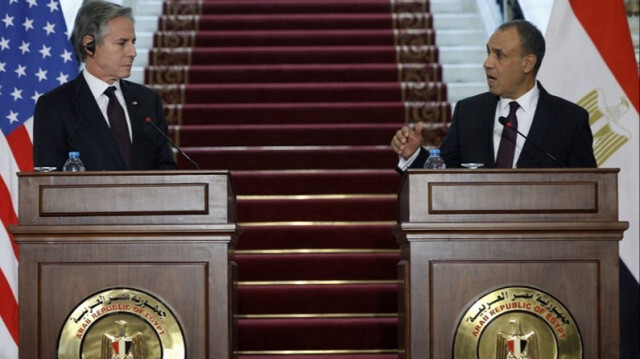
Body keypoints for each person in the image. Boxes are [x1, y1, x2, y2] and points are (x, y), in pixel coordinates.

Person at [390, 20, 597, 171]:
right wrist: (414, 155)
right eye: (488, 52)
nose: (487, 63)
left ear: (528, 63)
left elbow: (589, 190)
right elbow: (444, 177)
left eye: (499, 55)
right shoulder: (469, 112)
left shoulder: (569, 119)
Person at [33, 0, 176, 171]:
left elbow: (166, 170)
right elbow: (49, 184)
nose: (133, 52)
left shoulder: (147, 100)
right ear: (89, 45)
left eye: (133, 42)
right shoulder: (55, 106)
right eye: (122, 43)